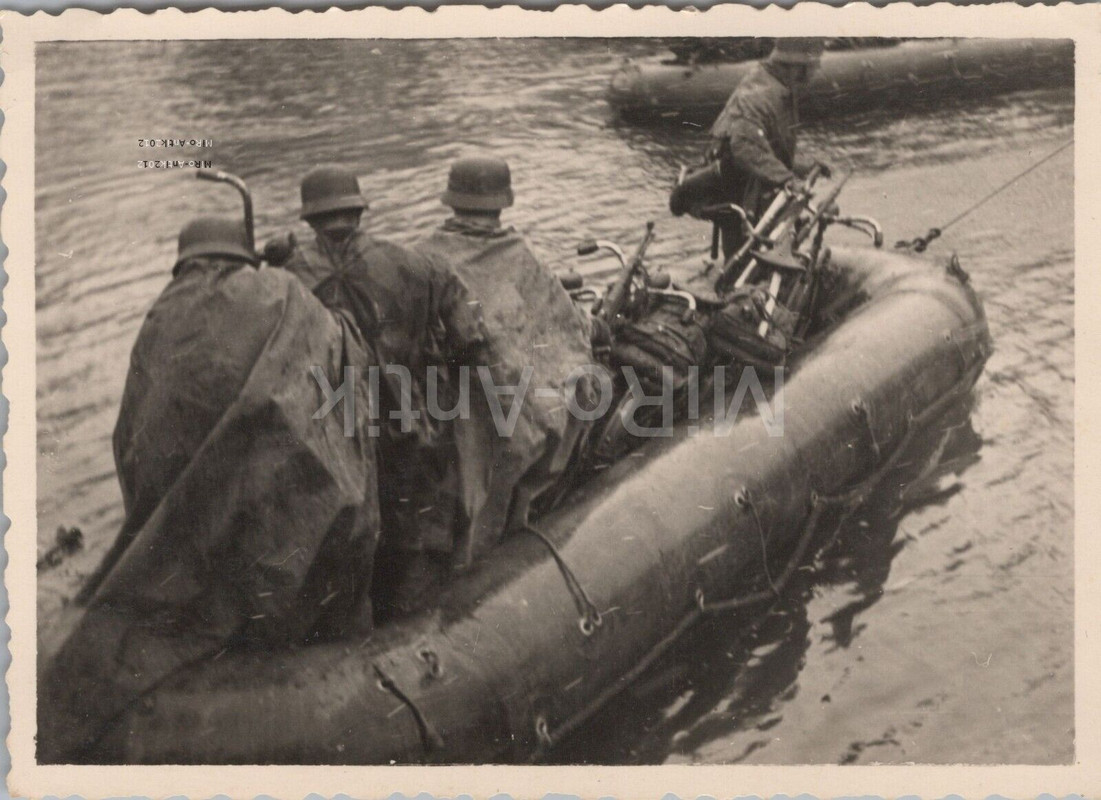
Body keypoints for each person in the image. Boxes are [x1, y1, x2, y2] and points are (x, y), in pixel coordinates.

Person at [39, 217, 380, 762]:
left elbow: (134, 431)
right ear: (245, 258)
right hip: (270, 502)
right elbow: (339, 362)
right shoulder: (282, 294)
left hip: (189, 509)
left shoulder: (162, 312)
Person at [268, 165, 490, 612]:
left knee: (343, 550)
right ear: (359, 211)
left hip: (330, 438)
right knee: (413, 542)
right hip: (405, 430)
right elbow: (471, 339)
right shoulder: (420, 264)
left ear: (309, 220)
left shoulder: (284, 282)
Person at [420, 156, 601, 569]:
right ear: (501, 205)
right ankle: (517, 522)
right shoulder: (517, 254)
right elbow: (563, 332)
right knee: (561, 406)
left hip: (444, 403)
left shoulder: (423, 256)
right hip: (504, 407)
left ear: (452, 203)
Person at [673, 37, 830, 259]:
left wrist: (805, 167)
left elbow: (769, 148)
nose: (818, 69)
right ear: (797, 68)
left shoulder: (777, 85)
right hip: (737, 189)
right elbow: (745, 146)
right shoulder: (762, 94)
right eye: (814, 64)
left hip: (751, 185)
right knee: (743, 258)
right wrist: (788, 180)